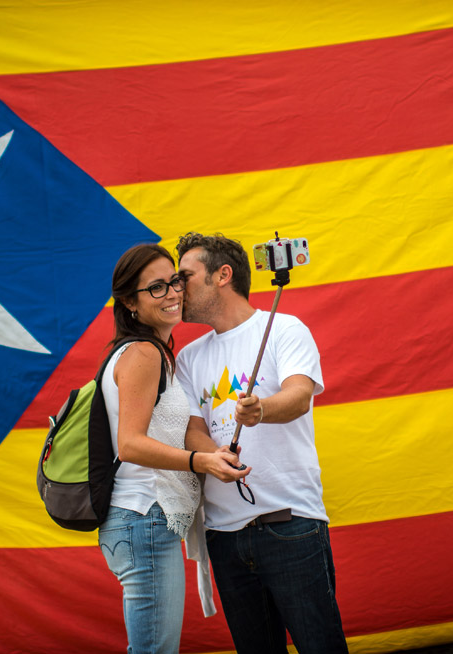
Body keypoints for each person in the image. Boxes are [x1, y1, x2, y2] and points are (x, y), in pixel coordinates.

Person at [174, 233, 349, 653]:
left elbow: (299, 395)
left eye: (186, 276)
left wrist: (261, 410)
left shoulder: (285, 328)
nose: (178, 288)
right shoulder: (188, 357)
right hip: (224, 535)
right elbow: (191, 427)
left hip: (290, 522)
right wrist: (208, 455)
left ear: (223, 275)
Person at [98, 243, 249, 653]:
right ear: (130, 302)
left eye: (176, 282)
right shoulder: (144, 354)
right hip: (144, 515)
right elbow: (130, 445)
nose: (173, 294)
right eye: (157, 288)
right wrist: (200, 460)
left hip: (139, 519)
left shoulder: (149, 353)